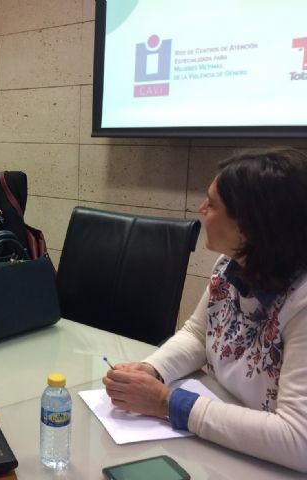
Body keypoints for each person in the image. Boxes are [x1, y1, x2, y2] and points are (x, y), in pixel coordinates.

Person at [103, 147, 307, 472]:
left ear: (250, 226)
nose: (201, 209)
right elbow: (199, 335)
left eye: (211, 204)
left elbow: (298, 440)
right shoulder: (230, 265)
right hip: (228, 445)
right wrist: (152, 369)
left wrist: (166, 402)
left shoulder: (301, 301)